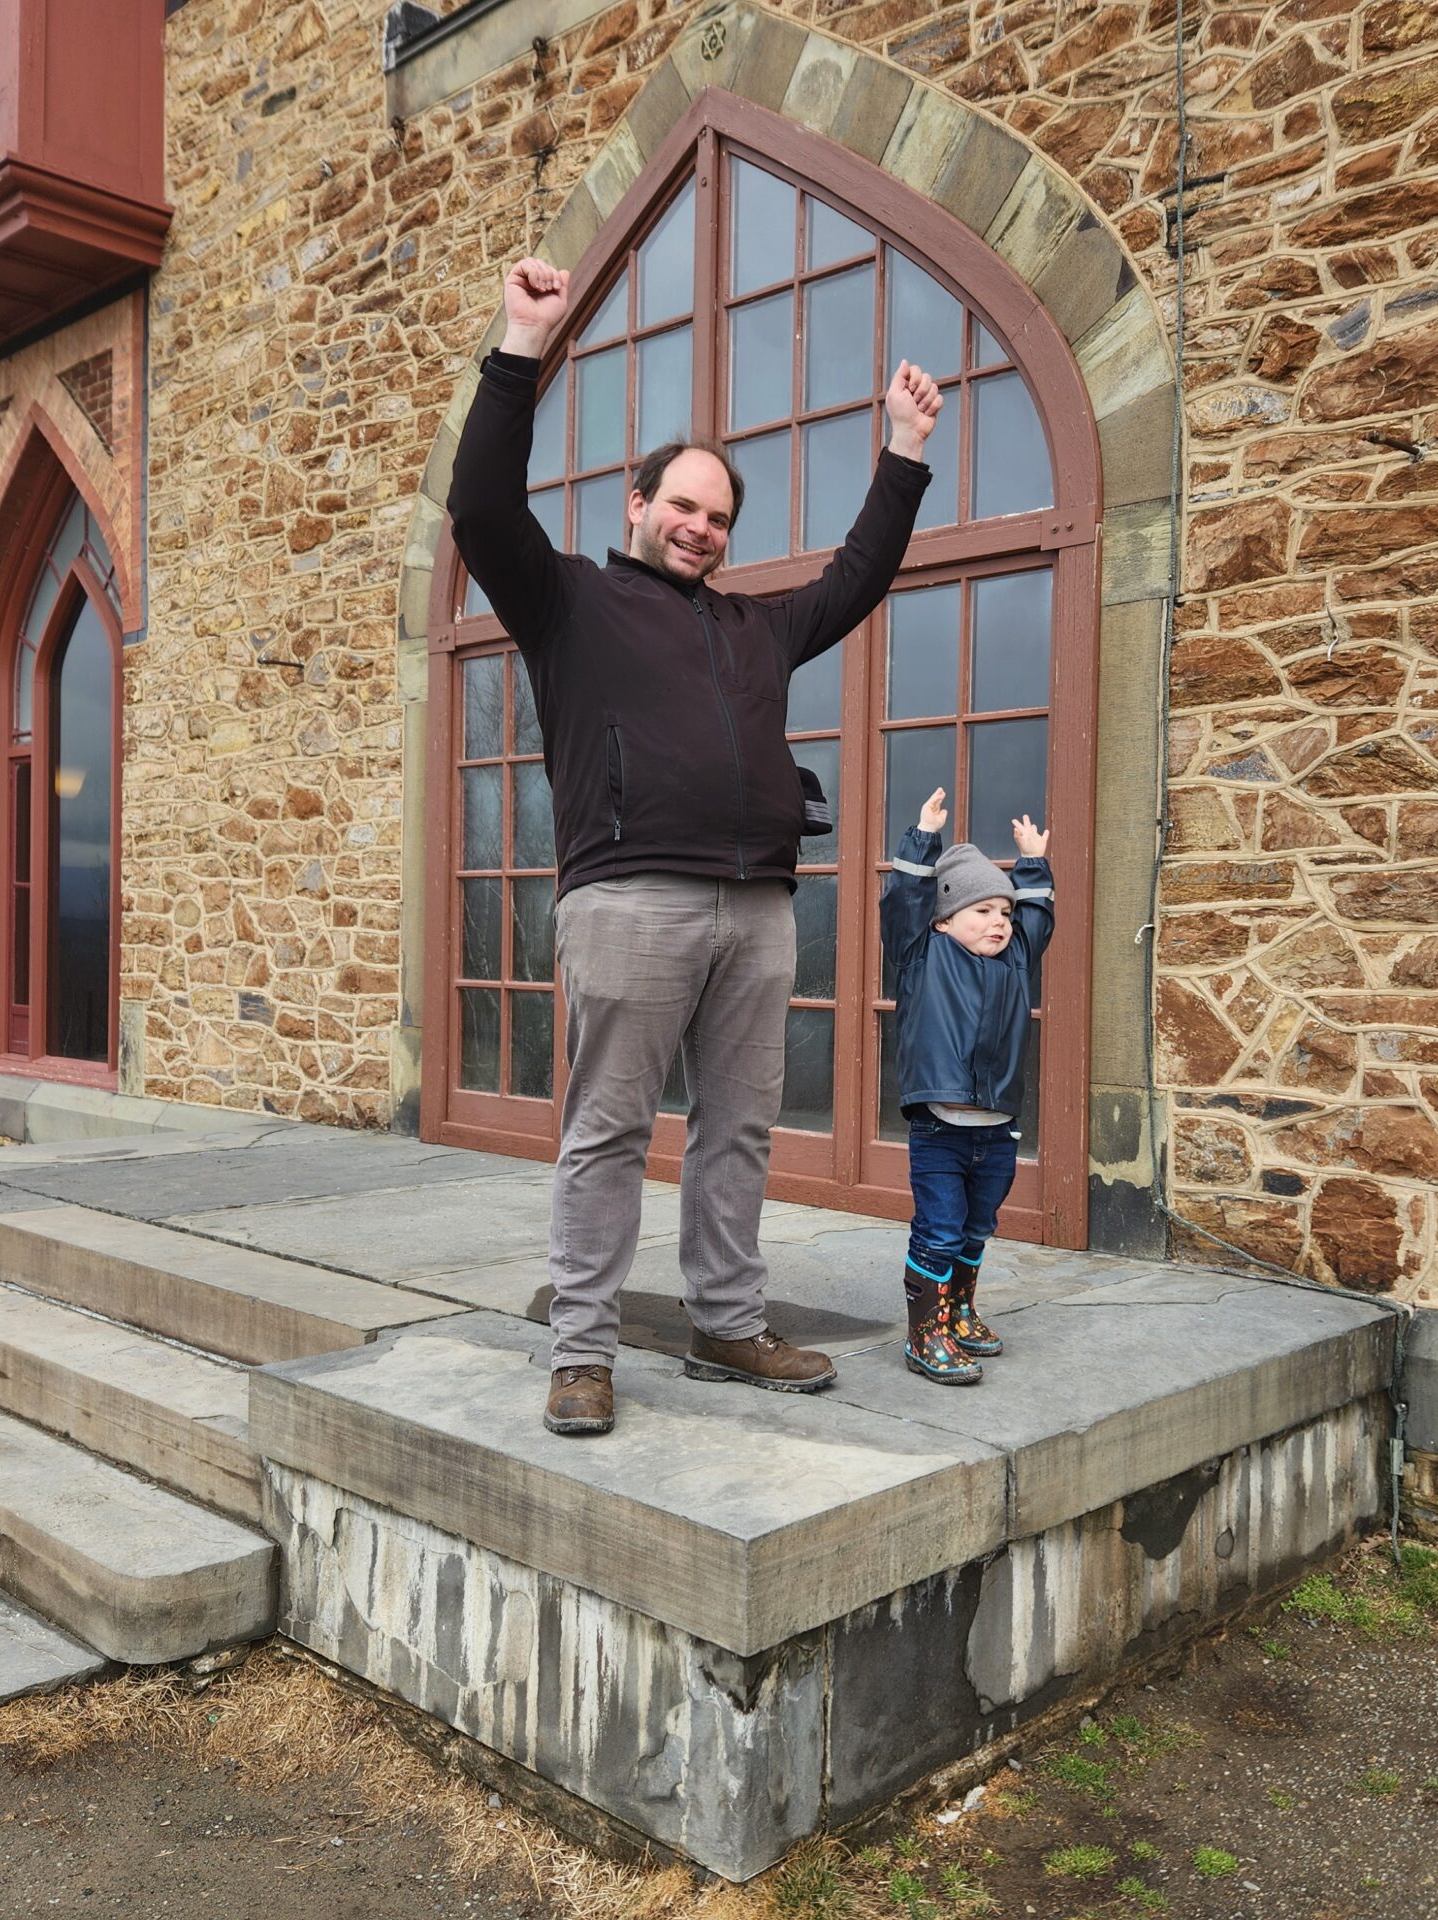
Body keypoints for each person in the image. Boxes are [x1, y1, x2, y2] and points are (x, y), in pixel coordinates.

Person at [448, 255, 944, 1437]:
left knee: (740, 1129)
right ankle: (583, 1350)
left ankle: (727, 1325)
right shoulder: (567, 600)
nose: (702, 529)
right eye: (683, 506)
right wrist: (520, 344)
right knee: (607, 1130)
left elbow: (858, 577)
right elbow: (477, 507)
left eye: (719, 518)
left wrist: (902, 450)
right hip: (628, 902)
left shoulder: (755, 628)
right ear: (637, 505)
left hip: (757, 909)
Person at [879, 788, 1055, 1384]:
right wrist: (922, 838)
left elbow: (1038, 916)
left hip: (998, 1131)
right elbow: (903, 900)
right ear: (945, 919)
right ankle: (924, 1335)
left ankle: (958, 1311)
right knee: (939, 1230)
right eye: (982, 911)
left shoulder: (1015, 963)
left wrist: (1032, 861)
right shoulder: (920, 954)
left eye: (1003, 913)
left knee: (978, 1227)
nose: (998, 922)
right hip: (939, 1131)